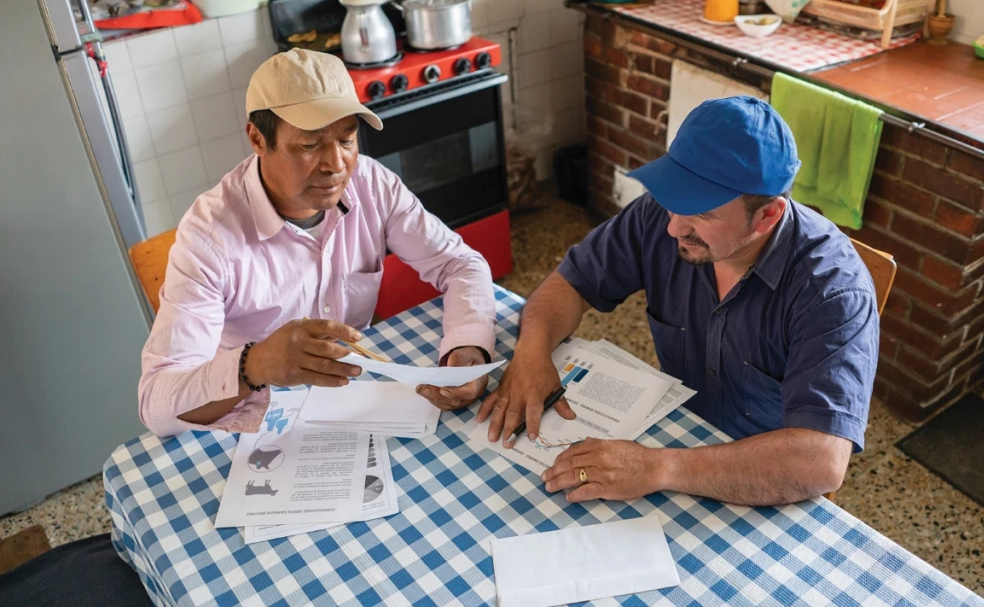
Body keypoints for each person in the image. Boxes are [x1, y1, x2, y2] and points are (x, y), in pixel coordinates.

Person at [478, 97, 879, 506]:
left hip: (759, 474)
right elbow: (570, 283)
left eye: (702, 214)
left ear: (767, 216)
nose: (673, 227)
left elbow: (819, 463)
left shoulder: (832, 291)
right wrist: (531, 351)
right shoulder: (660, 216)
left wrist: (659, 468)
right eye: (674, 198)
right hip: (673, 433)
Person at [138, 49, 496, 437]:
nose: (336, 164)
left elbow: (461, 264)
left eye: (346, 140)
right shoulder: (210, 238)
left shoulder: (372, 185)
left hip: (353, 397)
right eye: (310, 145)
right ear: (258, 139)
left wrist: (468, 348)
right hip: (256, 411)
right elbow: (156, 404)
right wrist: (254, 365)